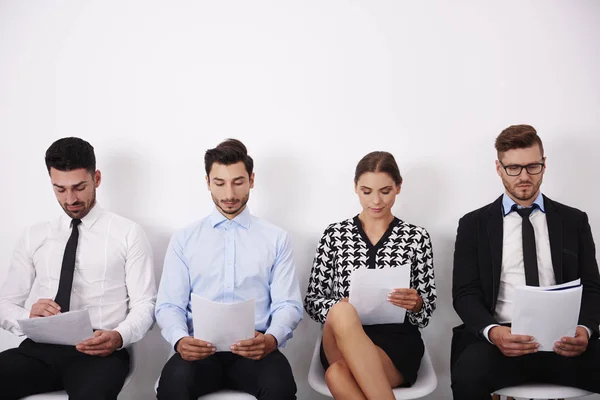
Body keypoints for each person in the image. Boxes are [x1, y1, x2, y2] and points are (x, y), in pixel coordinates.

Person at [0, 137, 157, 400]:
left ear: (96, 178)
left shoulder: (128, 234)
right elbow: (5, 304)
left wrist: (119, 336)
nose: (70, 199)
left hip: (100, 352)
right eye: (59, 189)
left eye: (79, 187)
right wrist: (28, 314)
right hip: (40, 349)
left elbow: (146, 304)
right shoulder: (34, 236)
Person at [451, 124, 600, 398]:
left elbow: (592, 287)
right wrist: (493, 332)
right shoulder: (473, 225)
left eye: (533, 167)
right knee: (467, 377)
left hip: (564, 339)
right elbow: (464, 294)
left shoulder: (574, 220)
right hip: (501, 340)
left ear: (544, 165)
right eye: (514, 168)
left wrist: (586, 330)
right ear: (499, 168)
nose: (524, 176)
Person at [155, 138, 303, 400]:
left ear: (252, 180)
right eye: (219, 183)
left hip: (256, 350)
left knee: (280, 389)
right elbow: (169, 305)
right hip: (199, 351)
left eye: (238, 182)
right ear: (207, 182)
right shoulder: (184, 238)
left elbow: (288, 304)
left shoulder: (276, 238)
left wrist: (271, 339)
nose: (229, 195)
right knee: (172, 388)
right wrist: (180, 340)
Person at [304, 151, 437, 399]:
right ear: (355, 187)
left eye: (385, 191)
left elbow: (426, 313)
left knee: (337, 376)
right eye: (366, 191)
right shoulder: (334, 235)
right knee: (343, 312)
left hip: (396, 343)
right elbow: (313, 302)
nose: (376, 201)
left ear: (398, 187)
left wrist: (416, 303)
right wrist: (340, 305)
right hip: (341, 337)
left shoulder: (416, 237)